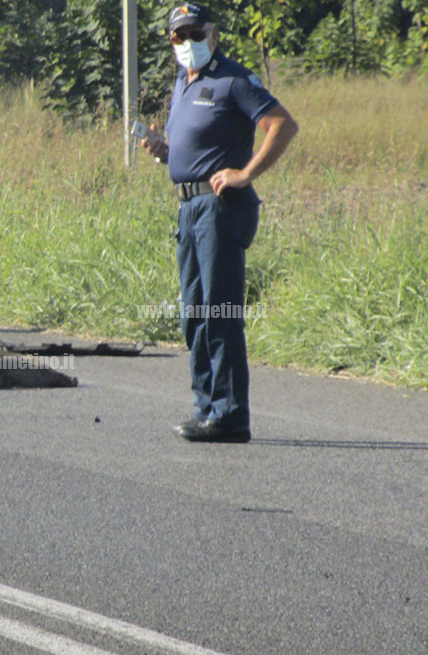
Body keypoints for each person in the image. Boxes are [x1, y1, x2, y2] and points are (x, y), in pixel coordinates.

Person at [141, 3, 298, 443]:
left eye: (194, 33)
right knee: (194, 313)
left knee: (219, 311)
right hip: (188, 208)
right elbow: (192, 148)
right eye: (178, 36)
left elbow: (282, 125)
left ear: (212, 35)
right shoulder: (182, 83)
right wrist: (164, 152)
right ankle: (207, 408)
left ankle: (230, 414)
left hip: (220, 207)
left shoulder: (234, 79)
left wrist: (246, 173)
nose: (186, 43)